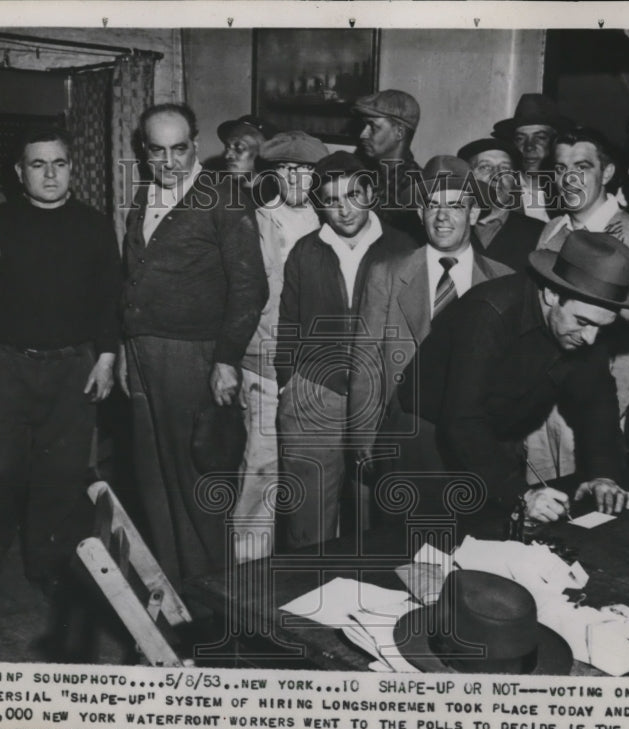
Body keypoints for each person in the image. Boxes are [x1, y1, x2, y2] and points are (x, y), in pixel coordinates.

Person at [0, 128, 122, 591]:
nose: (50, 174)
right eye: (38, 164)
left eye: (59, 163)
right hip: (4, 362)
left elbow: (107, 298)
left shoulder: (94, 225)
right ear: (19, 172)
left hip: (73, 365)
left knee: (62, 471)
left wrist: (106, 358)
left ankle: (44, 557)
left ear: (72, 168)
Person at [117, 103, 267, 589]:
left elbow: (251, 287)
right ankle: (172, 588)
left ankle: (213, 596)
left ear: (195, 146)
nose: (169, 162)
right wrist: (126, 345)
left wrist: (225, 360)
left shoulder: (224, 196)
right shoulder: (144, 195)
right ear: (144, 152)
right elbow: (134, 277)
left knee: (197, 480)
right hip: (143, 353)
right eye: (157, 151)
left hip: (193, 355)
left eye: (179, 149)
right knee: (153, 477)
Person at [435, 231, 629, 522]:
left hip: (494, 434)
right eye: (583, 322)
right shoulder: (489, 312)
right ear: (552, 294)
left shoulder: (589, 325)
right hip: (431, 437)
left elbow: (597, 403)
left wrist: (604, 474)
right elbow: (462, 419)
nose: (590, 339)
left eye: (601, 327)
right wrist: (519, 494)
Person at [350, 156, 512, 511]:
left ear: (473, 214)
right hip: (410, 431)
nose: (442, 216)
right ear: (418, 212)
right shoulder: (386, 273)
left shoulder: (504, 280)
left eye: (455, 205)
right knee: (405, 548)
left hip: (478, 436)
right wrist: (363, 435)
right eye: (432, 205)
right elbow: (366, 358)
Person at [275, 152, 414, 548]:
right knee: (308, 520)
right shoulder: (306, 249)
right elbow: (290, 321)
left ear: (370, 192)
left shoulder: (402, 247)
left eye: (353, 195)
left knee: (373, 519)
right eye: (333, 200)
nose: (344, 209)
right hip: (315, 392)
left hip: (379, 398)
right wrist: (289, 383)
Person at [528, 127, 629, 480]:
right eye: (559, 168)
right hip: (539, 402)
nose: (568, 178)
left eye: (582, 167)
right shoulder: (552, 230)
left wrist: (602, 419)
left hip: (587, 406)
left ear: (608, 173)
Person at [232, 131, 328, 561]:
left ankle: (306, 569)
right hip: (265, 366)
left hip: (317, 370)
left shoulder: (331, 220)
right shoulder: (253, 221)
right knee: (262, 468)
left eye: (305, 169)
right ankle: (249, 573)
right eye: (286, 168)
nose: (295, 177)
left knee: (313, 474)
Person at [457, 137, 545, 271]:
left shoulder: (539, 232)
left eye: (505, 168)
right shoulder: (448, 223)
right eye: (485, 167)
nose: (497, 175)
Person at [353, 88, 425, 243]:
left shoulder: (417, 188)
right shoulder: (363, 172)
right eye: (363, 126)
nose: (363, 134)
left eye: (372, 126)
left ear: (399, 132)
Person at [492, 93, 568, 223]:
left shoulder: (568, 190)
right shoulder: (501, 190)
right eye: (520, 139)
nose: (529, 147)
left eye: (540, 138)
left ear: (555, 142)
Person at [216, 114, 276, 205]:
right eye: (227, 147)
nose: (227, 155)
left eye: (239, 148)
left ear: (262, 153)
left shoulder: (275, 199)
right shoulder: (219, 194)